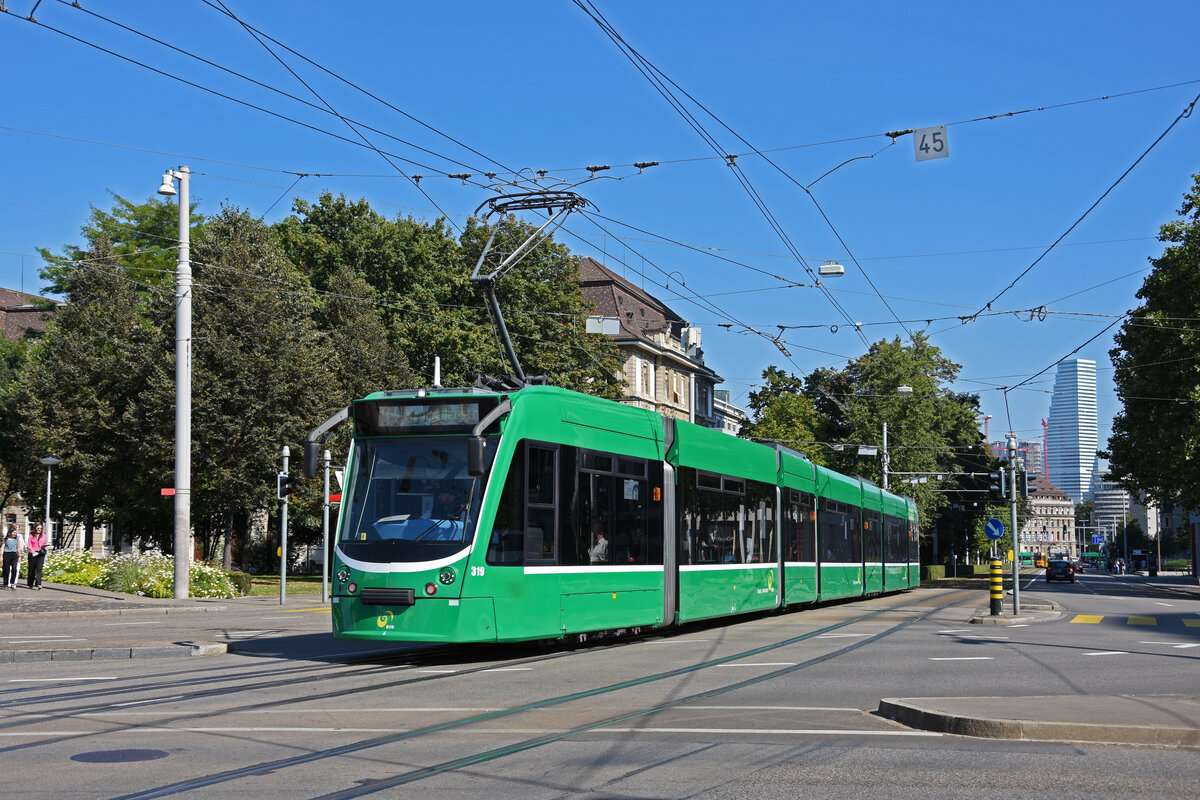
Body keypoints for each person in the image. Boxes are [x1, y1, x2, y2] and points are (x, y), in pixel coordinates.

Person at [26, 523, 48, 590]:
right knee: (31, 569)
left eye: (40, 528)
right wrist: (32, 551)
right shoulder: (31, 536)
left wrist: (45, 545)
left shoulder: (44, 536)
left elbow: (44, 543)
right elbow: (29, 544)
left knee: (39, 568)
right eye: (38, 528)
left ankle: (39, 583)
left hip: (40, 553)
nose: (39, 530)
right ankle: (30, 583)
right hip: (32, 553)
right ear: (35, 528)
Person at [2, 525, 23, 590]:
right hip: (7, 554)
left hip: (14, 554)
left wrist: (19, 556)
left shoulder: (16, 539)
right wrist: (1, 556)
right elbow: (2, 548)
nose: (14, 534)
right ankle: (5, 584)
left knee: (14, 569)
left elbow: (18, 548)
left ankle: (12, 583)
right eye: (13, 532)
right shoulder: (5, 539)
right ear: (10, 532)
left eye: (15, 533)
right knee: (6, 570)